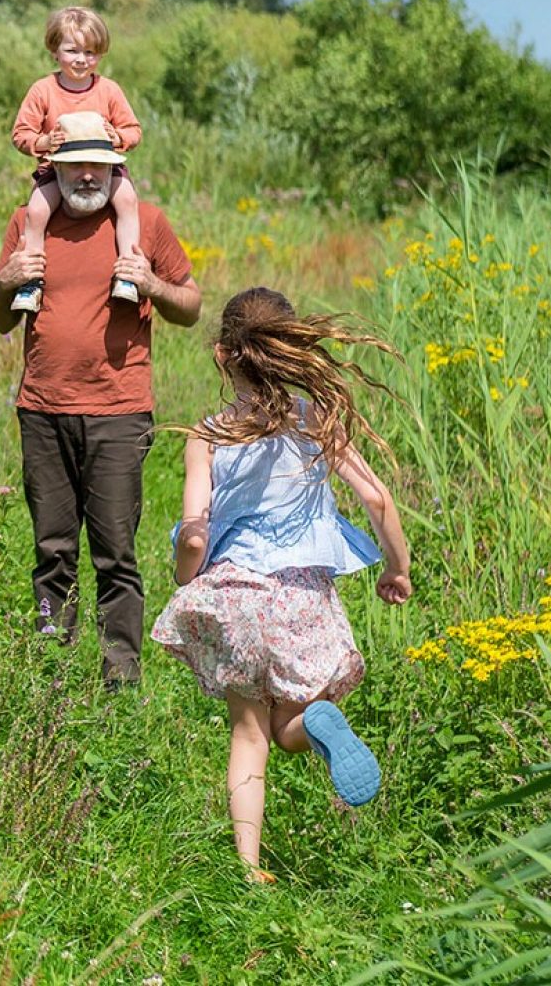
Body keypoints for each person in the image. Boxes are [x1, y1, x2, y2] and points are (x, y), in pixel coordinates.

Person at [151, 287, 411, 883]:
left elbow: (194, 534)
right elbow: (377, 498)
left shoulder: (207, 434)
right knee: (292, 726)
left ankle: (248, 870)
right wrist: (397, 568)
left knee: (249, 733)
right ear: (290, 352)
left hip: (236, 595)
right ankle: (317, 721)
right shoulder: (313, 419)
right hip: (300, 597)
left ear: (222, 356)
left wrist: (186, 579)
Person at [0, 112, 202, 690]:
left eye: (99, 166)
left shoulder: (146, 224)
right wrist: (7, 280)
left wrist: (151, 284)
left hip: (119, 412)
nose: (88, 176)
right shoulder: (28, 223)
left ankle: (120, 681)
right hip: (42, 409)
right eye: (76, 164)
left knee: (115, 553)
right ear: (52, 167)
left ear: (116, 168)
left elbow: (191, 305)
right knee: (52, 549)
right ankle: (50, 672)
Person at [10, 5, 142, 312]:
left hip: (105, 168)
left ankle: (128, 272)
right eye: (72, 51)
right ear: (55, 51)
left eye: (91, 52)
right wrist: (44, 142)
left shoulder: (109, 90)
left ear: (100, 54)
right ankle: (31, 282)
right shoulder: (42, 90)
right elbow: (20, 133)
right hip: (57, 168)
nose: (82, 60)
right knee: (36, 211)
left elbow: (134, 130)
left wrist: (118, 137)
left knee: (127, 200)